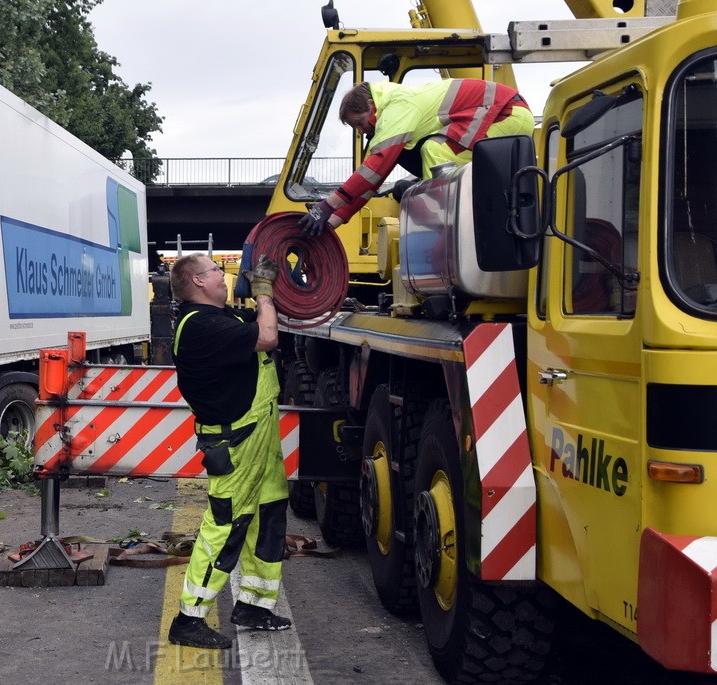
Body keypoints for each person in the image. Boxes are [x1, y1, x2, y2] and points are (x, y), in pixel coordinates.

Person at [166, 253, 290, 650]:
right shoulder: (200, 325)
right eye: (216, 271)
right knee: (227, 524)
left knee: (266, 515)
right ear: (198, 282)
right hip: (237, 439)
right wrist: (264, 292)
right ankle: (189, 618)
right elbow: (267, 337)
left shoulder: (222, 319)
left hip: (259, 436)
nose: (223, 275)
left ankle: (254, 605)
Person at [299, 78, 535, 237]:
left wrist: (328, 204)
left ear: (372, 105)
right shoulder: (392, 108)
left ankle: (447, 230)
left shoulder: (398, 107)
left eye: (359, 123)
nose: (361, 131)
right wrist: (335, 220)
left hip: (506, 115)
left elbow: (377, 166)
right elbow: (372, 180)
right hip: (497, 112)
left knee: (435, 151)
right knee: (426, 152)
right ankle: (447, 222)